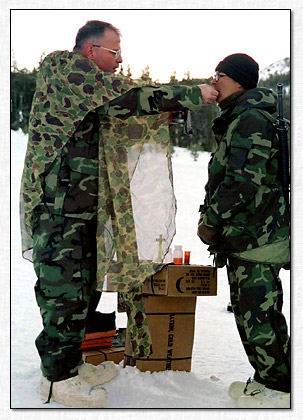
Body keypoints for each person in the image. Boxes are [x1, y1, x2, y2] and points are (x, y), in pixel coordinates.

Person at [20, 20, 218, 408]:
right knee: (63, 292)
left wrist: (155, 119)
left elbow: (114, 119)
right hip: (59, 212)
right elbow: (125, 99)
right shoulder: (67, 70)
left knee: (85, 289)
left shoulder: (88, 92)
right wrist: (190, 94)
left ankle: (71, 363)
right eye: (114, 52)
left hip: (84, 209)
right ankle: (56, 379)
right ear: (91, 51)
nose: (120, 59)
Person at [197, 53, 290, 408]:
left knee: (259, 315)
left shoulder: (249, 119)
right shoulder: (240, 116)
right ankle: (272, 378)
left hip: (258, 236)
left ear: (236, 80)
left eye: (218, 75)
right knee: (253, 312)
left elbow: (241, 183)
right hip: (248, 234)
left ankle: (280, 387)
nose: (214, 80)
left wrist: (211, 221)